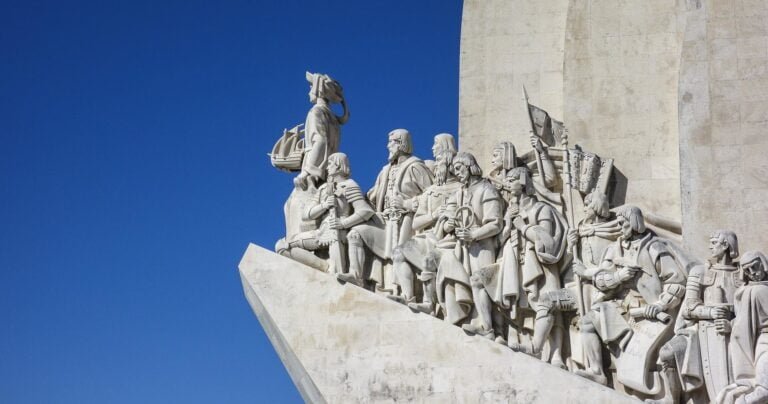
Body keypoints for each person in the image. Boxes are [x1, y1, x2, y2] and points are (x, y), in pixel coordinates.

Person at [576, 205, 687, 392]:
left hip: (647, 309)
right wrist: (619, 276)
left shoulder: (654, 247)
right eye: (618, 223)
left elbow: (676, 281)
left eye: (623, 223)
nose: (620, 227)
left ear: (634, 223)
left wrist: (661, 305)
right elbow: (600, 280)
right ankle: (596, 371)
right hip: (621, 305)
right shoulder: (614, 249)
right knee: (587, 321)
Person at [653, 230, 741, 403]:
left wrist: (733, 320)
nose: (710, 246)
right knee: (667, 353)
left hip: (735, 329)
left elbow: (751, 306)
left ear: (726, 246)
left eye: (714, 242)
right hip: (698, 331)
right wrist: (711, 312)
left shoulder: (743, 274)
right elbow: (689, 308)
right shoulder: (700, 272)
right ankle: (671, 399)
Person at [338, 129, 433, 291]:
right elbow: (371, 196)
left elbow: (432, 195)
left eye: (392, 142)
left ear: (401, 144)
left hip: (406, 222)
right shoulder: (385, 171)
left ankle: (404, 292)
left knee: (399, 255)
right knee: (355, 233)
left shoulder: (415, 167)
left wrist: (407, 203)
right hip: (384, 220)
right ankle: (356, 275)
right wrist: (344, 196)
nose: (388, 146)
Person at [499, 166, 569, 367]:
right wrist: (507, 223)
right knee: (529, 307)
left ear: (522, 181)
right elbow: (502, 239)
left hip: (542, 264)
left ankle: (556, 355)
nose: (508, 183)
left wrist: (522, 226)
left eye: (512, 179)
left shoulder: (543, 209)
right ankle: (533, 344)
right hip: (517, 261)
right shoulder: (512, 211)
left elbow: (547, 240)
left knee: (550, 306)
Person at [389, 133, 461, 310]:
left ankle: (429, 303)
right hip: (428, 236)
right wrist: (434, 215)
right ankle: (408, 297)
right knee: (398, 253)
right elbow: (416, 223)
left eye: (436, 144)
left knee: (429, 260)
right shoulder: (431, 192)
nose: (432, 149)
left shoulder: (461, 189)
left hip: (448, 240)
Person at [436, 152, 503, 337]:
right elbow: (448, 213)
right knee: (463, 281)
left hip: (482, 244)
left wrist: (473, 234)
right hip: (462, 244)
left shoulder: (486, 190)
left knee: (480, 282)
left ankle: (490, 328)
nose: (457, 173)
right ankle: (472, 320)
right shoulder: (460, 193)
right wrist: (448, 222)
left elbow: (496, 223)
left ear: (469, 166)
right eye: (455, 170)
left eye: (459, 168)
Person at [277, 153, 373, 274]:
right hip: (321, 232)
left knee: (338, 272)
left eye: (330, 164)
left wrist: (343, 224)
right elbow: (306, 214)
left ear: (338, 166)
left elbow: (365, 211)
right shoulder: (323, 189)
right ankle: (325, 267)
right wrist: (325, 205)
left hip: (339, 231)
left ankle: (336, 270)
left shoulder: (349, 185)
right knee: (282, 247)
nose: (327, 168)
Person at [717, 251, 768, 404]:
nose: (752, 273)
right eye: (747, 270)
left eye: (754, 267)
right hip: (764, 341)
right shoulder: (749, 291)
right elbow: (742, 320)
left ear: (763, 264)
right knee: (763, 391)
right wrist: (731, 325)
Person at [294, 72, 349, 190]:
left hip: (315, 173)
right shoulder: (333, 118)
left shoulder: (316, 112)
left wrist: (307, 171)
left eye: (310, 88)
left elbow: (320, 141)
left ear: (317, 90)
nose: (309, 93)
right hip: (329, 171)